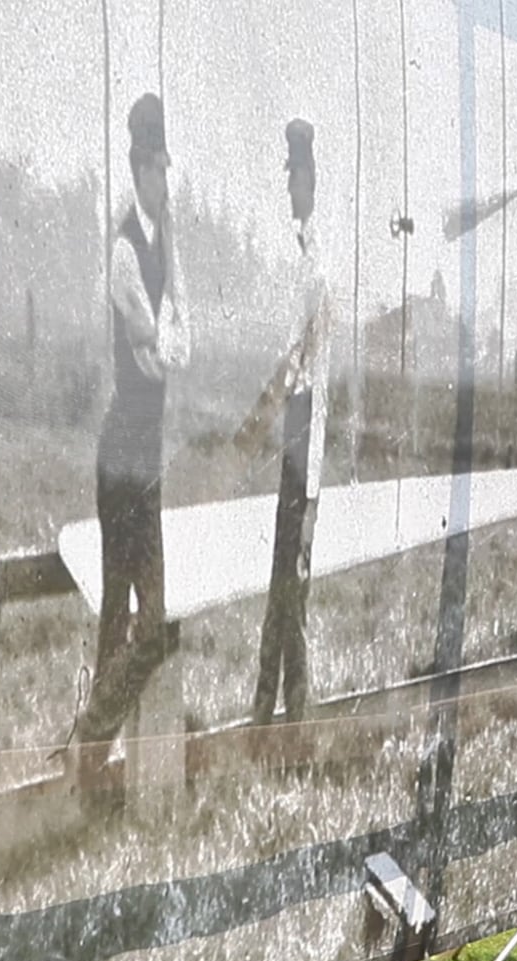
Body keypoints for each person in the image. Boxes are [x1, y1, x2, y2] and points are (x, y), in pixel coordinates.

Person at [76, 91, 190, 771]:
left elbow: (183, 341)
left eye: (166, 169)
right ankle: (93, 749)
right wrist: (166, 333)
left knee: (140, 621)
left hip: (143, 452)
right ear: (138, 169)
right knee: (129, 617)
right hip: (122, 450)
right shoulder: (123, 253)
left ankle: (91, 743)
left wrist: (170, 329)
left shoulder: (160, 243)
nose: (162, 181)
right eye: (154, 169)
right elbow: (154, 336)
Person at [236, 116, 332, 725]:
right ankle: (268, 705)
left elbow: (300, 356)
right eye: (288, 178)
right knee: (283, 571)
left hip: (305, 420)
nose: (292, 189)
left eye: (298, 178)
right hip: (295, 421)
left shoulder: (316, 260)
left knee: (291, 572)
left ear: (311, 183)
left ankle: (286, 709)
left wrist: (257, 420)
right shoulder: (298, 253)